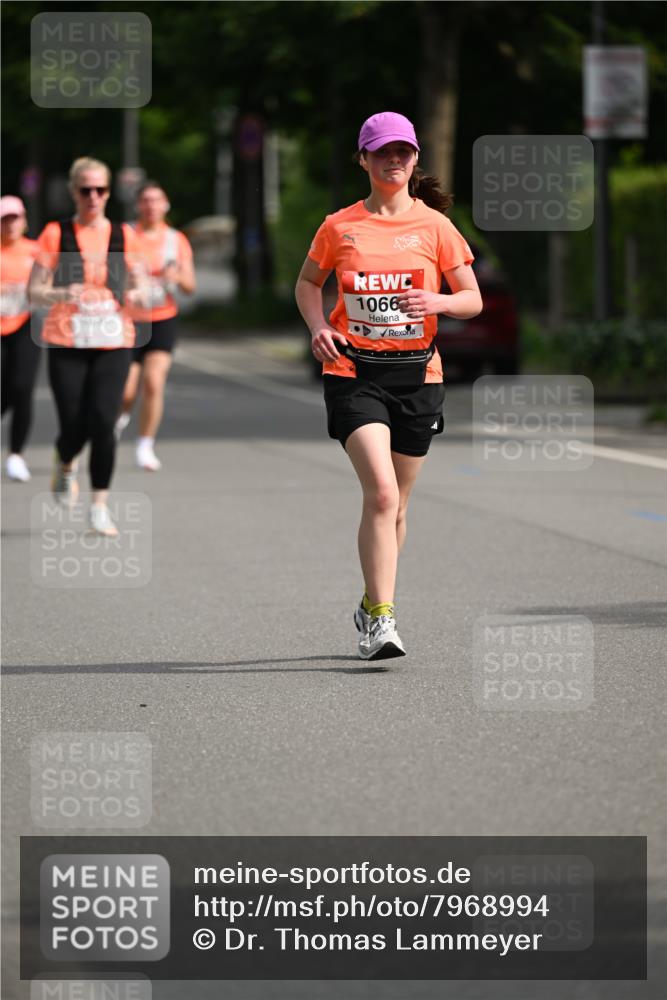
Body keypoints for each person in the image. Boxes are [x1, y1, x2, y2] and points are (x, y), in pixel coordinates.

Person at [295, 112, 482, 661]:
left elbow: (471, 298)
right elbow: (308, 283)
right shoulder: (340, 226)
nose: (393, 159)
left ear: (415, 157)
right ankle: (381, 620)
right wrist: (319, 327)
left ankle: (370, 598)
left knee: (397, 507)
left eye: (402, 150)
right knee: (380, 493)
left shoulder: (436, 227)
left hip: (418, 375)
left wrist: (438, 300)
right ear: (364, 160)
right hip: (354, 373)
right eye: (382, 151)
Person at [29, 156, 144, 536]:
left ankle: (99, 506)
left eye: (100, 189)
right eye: (85, 190)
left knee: (104, 423)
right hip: (67, 339)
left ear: (108, 193)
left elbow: (140, 282)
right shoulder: (55, 233)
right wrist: (62, 292)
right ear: (73, 192)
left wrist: (137, 293)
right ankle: (65, 462)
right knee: (73, 423)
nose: (93, 196)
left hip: (114, 339)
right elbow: (34, 290)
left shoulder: (125, 235)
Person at [116, 180, 195, 471]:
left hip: (162, 318)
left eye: (156, 200)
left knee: (153, 383)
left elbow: (190, 286)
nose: (151, 205)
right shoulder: (124, 234)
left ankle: (145, 445)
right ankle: (119, 418)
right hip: (128, 320)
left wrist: (176, 277)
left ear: (165, 205)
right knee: (125, 390)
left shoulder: (177, 240)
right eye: (146, 200)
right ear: (138, 205)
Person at [1, 195, 40, 481]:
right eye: (4, 219)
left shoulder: (35, 251)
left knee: (23, 387)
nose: (10, 224)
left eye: (15, 219)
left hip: (24, 325)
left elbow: (50, 283)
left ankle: (16, 455)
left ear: (24, 221)